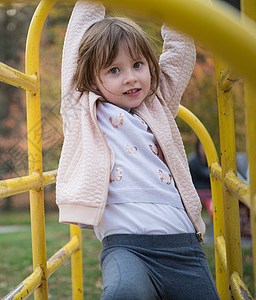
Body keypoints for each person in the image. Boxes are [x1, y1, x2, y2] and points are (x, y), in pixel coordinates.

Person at [55, 1, 219, 299]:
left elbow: (180, 53)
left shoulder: (157, 105)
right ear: (93, 78)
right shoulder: (82, 110)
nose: (130, 77)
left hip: (183, 247)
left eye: (138, 65)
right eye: (114, 70)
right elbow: (76, 41)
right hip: (126, 247)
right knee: (123, 292)